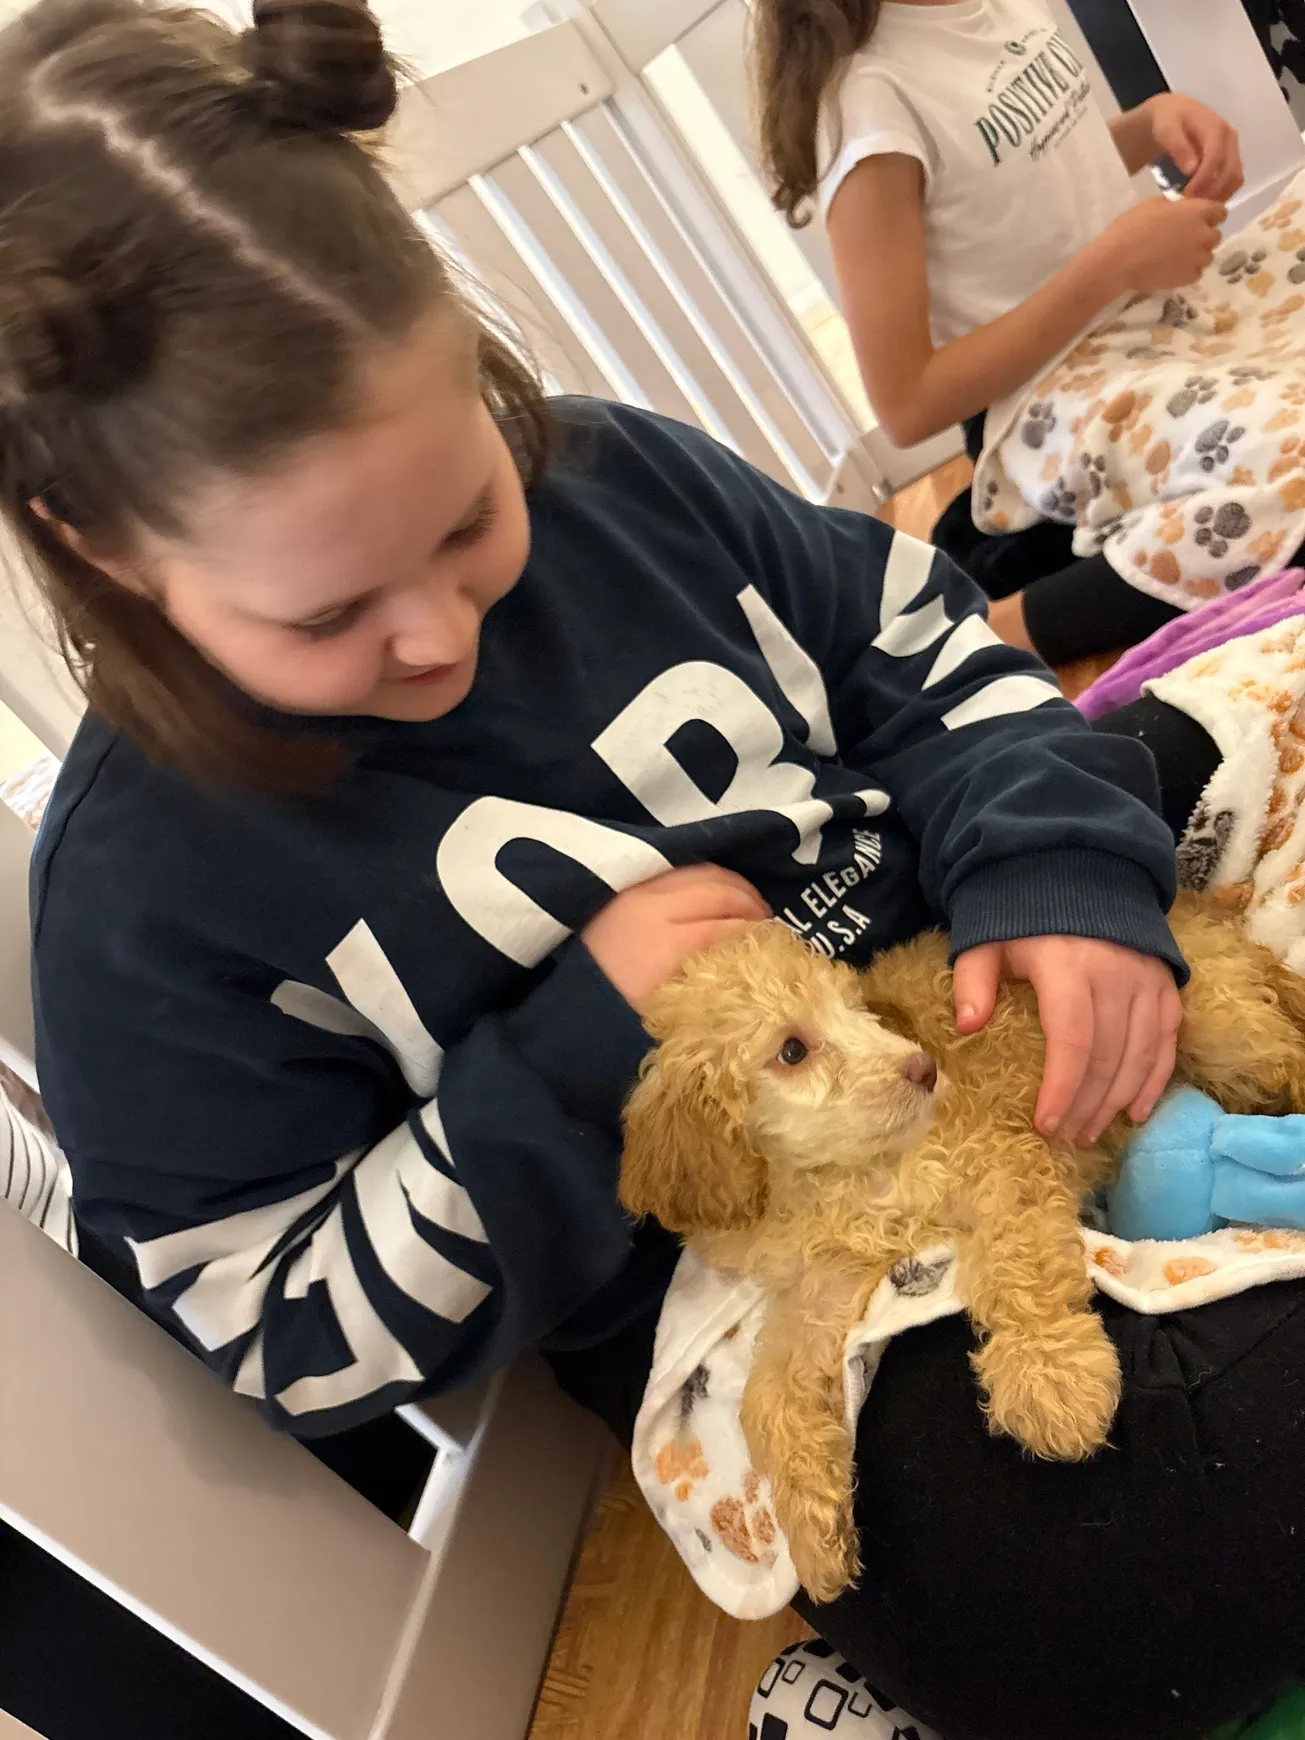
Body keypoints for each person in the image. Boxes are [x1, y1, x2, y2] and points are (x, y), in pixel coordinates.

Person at [8, 2, 1305, 1738]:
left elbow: (930, 652)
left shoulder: (622, 475)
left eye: (468, 519)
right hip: (776, 1275)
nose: (435, 633)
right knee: (1086, 1575)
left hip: (981, 978)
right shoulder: (142, 899)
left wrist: (1058, 876)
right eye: (325, 616)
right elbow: (279, 1328)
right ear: (101, 549)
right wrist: (571, 1060)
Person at [751, 0, 1254, 668]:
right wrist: (1108, 269)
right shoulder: (870, 103)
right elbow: (905, 404)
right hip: (1045, 406)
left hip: (1154, 331)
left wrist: (1150, 124)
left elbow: (1015, 186)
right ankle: (999, 627)